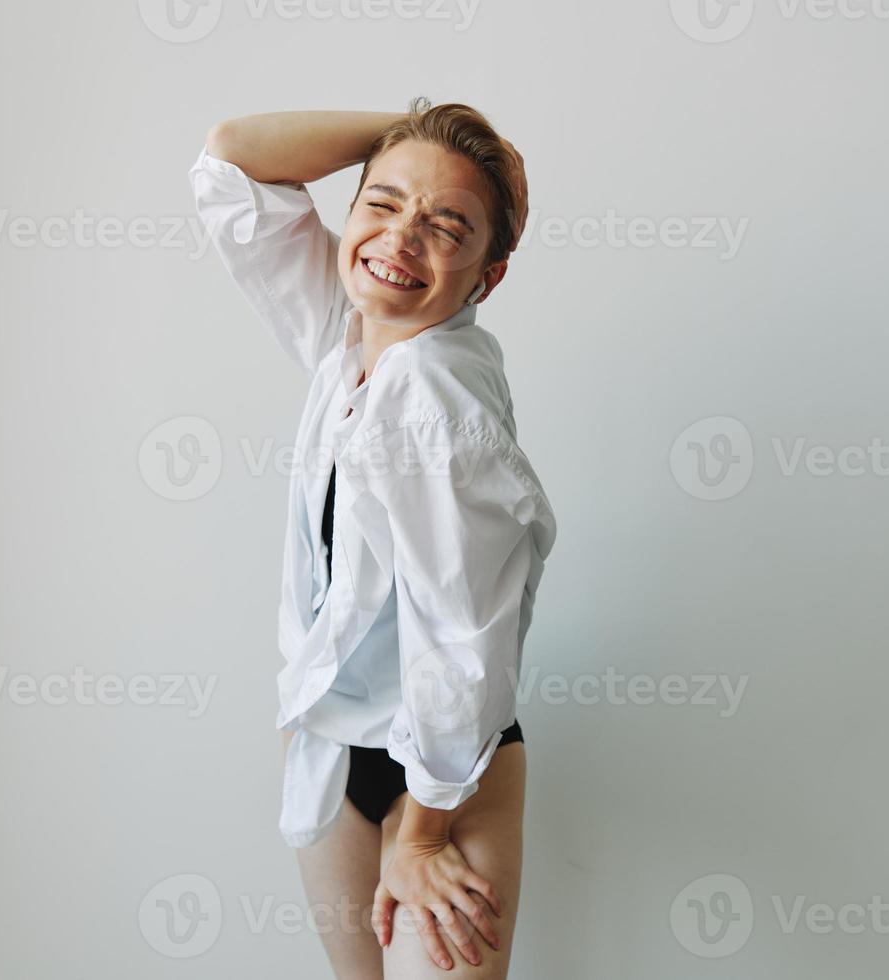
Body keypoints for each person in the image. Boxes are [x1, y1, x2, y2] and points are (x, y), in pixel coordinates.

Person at [189, 99, 556, 978]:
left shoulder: (436, 395)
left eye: (446, 225)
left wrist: (425, 831)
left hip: (443, 774)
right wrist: (408, 126)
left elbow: (471, 640)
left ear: (488, 275)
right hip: (333, 742)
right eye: (382, 205)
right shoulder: (352, 332)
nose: (401, 238)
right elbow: (233, 162)